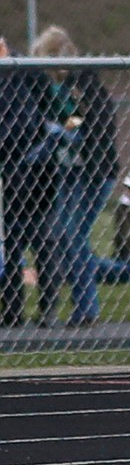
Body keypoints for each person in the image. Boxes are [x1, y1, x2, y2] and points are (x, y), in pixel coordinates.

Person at [30, 25, 119, 328]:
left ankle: (87, 308)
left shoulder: (83, 82)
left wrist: (71, 134)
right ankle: (83, 305)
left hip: (93, 170)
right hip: (69, 170)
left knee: (74, 234)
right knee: (65, 235)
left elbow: (96, 124)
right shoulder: (55, 89)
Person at [0, 35, 57, 327]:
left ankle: (48, 308)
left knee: (41, 239)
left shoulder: (25, 74)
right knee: (11, 242)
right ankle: (12, 310)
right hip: (11, 173)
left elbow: (27, 123)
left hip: (36, 172)